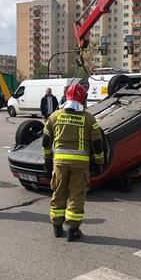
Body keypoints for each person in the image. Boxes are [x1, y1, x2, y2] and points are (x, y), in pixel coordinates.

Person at [42, 83, 104, 241]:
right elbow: (97, 143)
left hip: (60, 163)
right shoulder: (89, 119)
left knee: (58, 193)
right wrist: (99, 161)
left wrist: (47, 159)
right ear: (83, 99)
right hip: (80, 165)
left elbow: (46, 141)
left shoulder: (55, 116)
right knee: (77, 196)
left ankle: (57, 227)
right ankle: (73, 230)